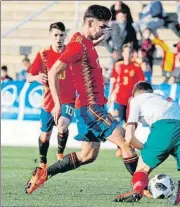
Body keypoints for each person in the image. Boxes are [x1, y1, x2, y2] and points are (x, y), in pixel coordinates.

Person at [25, 5, 138, 195]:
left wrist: (95, 44)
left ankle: (43, 174)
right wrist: (58, 103)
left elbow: (80, 56)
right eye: (102, 27)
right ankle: (141, 189)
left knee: (87, 155)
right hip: (92, 107)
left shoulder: (83, 42)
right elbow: (53, 71)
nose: (104, 31)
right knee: (126, 143)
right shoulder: (78, 44)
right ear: (90, 23)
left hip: (87, 108)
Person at [113, 81, 180, 205]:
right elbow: (176, 142)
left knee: (142, 169)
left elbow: (129, 137)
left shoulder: (136, 100)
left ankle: (137, 190)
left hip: (163, 127)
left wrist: (145, 148)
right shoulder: (166, 99)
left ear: (135, 94)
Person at [26, 22, 76, 170]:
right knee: (45, 135)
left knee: (62, 125)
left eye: (61, 35)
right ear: (50, 36)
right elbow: (29, 76)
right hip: (48, 102)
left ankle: (60, 154)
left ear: (65, 36)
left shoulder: (71, 53)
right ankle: (42, 162)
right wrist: (37, 77)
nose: (59, 38)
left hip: (68, 99)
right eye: (56, 35)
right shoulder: (43, 54)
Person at [109, 43, 145, 123]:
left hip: (131, 100)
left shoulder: (137, 67)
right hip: (118, 98)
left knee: (129, 123)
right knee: (116, 122)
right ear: (122, 53)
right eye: (125, 52)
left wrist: (137, 97)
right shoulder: (118, 65)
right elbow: (112, 82)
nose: (127, 55)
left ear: (132, 54)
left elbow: (141, 84)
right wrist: (110, 96)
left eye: (129, 52)